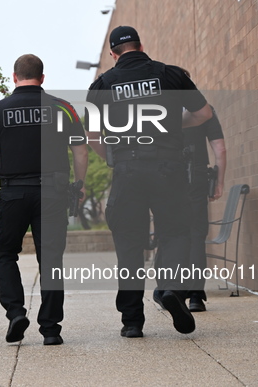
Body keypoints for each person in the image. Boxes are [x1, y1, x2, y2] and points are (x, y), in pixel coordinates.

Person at [85, 26, 213, 337]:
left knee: (129, 243)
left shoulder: (102, 84)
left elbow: (91, 134)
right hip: (168, 168)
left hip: (128, 169)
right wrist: (172, 124)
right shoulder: (170, 75)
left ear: (113, 54)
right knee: (177, 231)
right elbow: (204, 114)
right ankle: (170, 288)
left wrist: (112, 158)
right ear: (141, 45)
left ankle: (132, 322)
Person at [0, 54, 88, 346]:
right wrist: (79, 184)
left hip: (13, 193)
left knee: (4, 251)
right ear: (42, 78)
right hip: (53, 192)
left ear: (14, 77)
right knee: (51, 259)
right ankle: (51, 329)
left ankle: (15, 312)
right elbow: (81, 151)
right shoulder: (64, 108)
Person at [182, 103, 226, 312]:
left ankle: (168, 290)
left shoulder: (161, 106)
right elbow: (220, 148)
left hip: (167, 175)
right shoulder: (204, 109)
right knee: (196, 235)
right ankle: (196, 296)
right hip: (197, 176)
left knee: (169, 233)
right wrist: (219, 182)